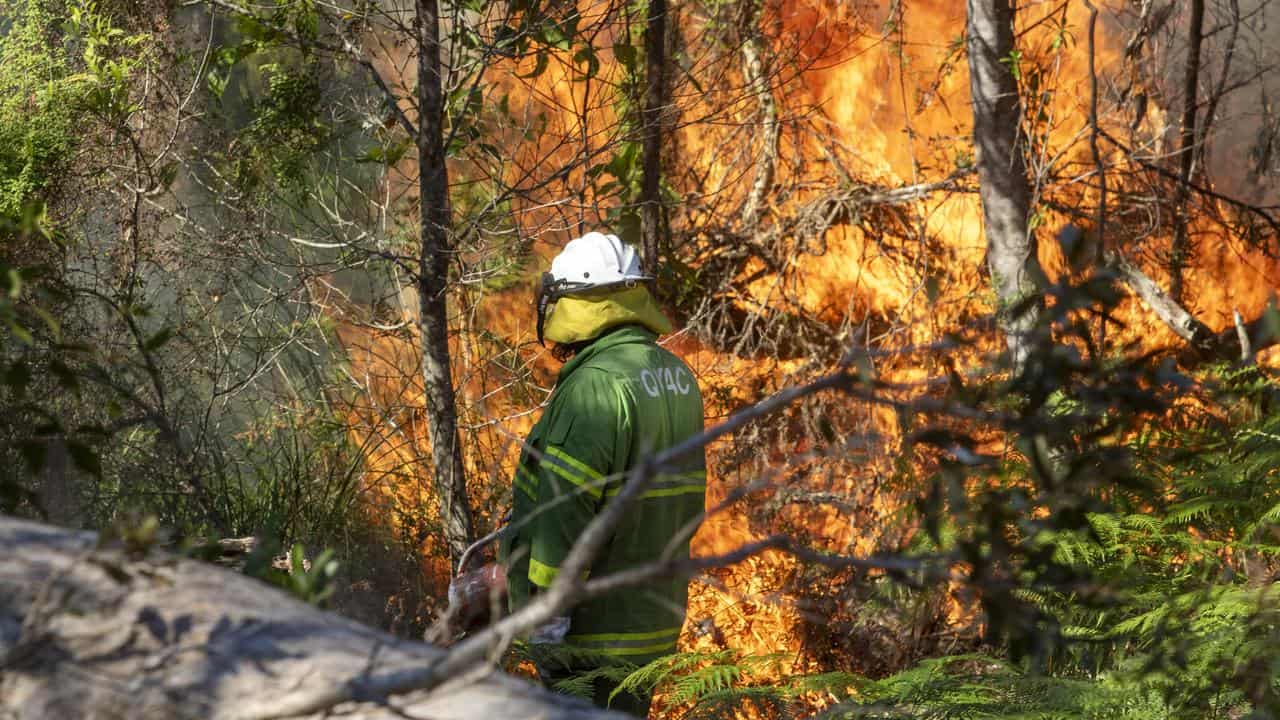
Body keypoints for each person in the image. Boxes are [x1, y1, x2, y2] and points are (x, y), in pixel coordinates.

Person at [499, 231, 707, 716]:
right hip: (650, 624)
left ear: (576, 302)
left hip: (590, 634)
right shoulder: (676, 376)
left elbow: (565, 516)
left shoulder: (596, 386)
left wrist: (547, 623)